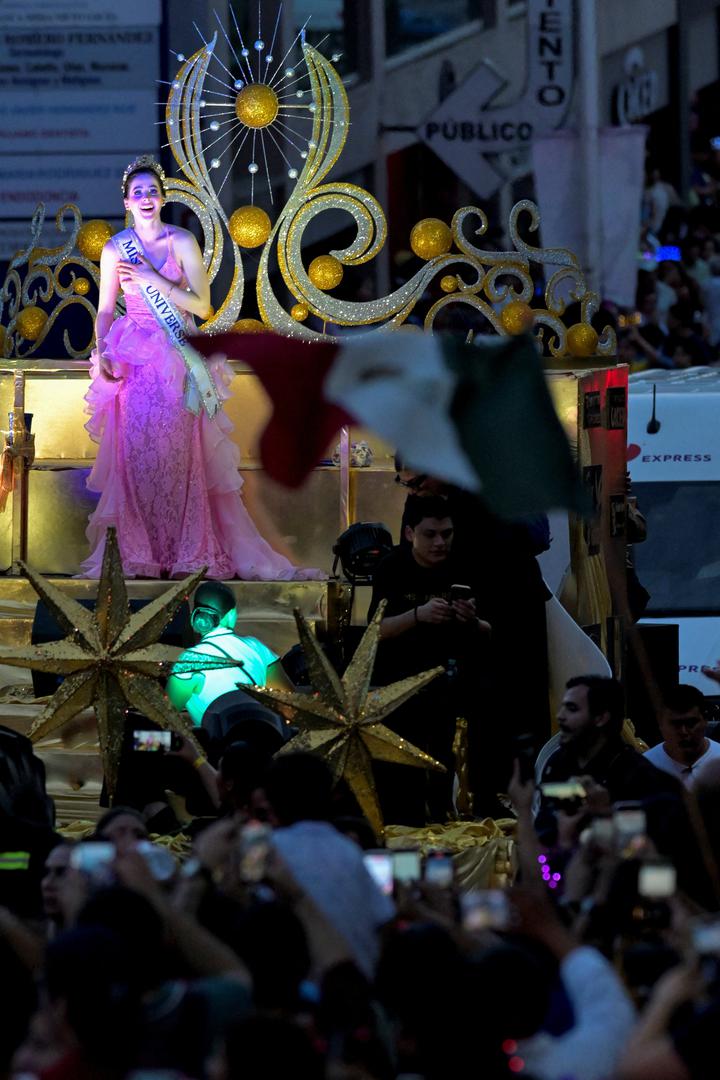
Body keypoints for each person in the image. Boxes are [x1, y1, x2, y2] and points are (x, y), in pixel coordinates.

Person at [81, 154, 323, 581]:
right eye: (137, 193)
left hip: (177, 360)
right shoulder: (115, 248)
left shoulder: (181, 241)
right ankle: (141, 553)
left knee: (179, 461)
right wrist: (102, 352)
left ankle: (185, 551)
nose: (146, 198)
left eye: (152, 191)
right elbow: (104, 311)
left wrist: (153, 278)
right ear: (126, 202)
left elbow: (202, 305)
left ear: (162, 198)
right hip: (135, 362)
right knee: (138, 462)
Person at [368, 495, 493, 822]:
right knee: (402, 773)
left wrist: (470, 620)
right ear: (410, 533)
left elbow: (490, 630)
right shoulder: (392, 568)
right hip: (400, 683)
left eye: (447, 534)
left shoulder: (466, 565)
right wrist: (417, 615)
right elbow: (376, 630)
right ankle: (404, 823)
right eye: (430, 534)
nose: (440, 543)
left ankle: (446, 819)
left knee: (447, 762)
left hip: (452, 680)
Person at [167, 580, 293, 751]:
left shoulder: (188, 660)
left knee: (143, 741)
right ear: (232, 615)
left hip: (213, 754)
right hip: (266, 747)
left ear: (196, 617)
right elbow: (290, 703)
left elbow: (163, 715)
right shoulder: (257, 647)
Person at [644, 684, 720, 789]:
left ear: (705, 720)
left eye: (691, 723)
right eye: (675, 724)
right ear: (660, 724)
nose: (684, 732)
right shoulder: (645, 768)